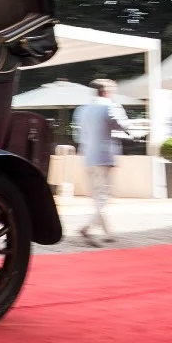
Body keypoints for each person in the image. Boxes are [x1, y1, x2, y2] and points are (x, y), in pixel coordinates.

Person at [71, 79, 132, 243]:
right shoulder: (110, 106)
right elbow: (122, 126)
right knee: (104, 196)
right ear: (106, 92)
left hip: (88, 156)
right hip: (104, 155)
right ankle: (87, 227)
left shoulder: (81, 110)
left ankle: (108, 233)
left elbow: (78, 135)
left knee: (98, 197)